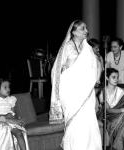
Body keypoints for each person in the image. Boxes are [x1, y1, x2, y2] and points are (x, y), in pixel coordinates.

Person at [49, 20, 102, 150]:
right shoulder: (67, 47)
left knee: (88, 122)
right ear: (73, 32)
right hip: (71, 92)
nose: (86, 31)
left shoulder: (87, 49)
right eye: (82, 29)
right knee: (75, 123)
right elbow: (56, 70)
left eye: (86, 28)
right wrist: (67, 70)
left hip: (86, 92)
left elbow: (94, 66)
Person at [97, 68, 124, 150]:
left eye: (117, 77)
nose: (116, 79)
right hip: (108, 116)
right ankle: (123, 146)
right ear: (107, 78)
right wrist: (123, 110)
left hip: (121, 115)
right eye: (113, 77)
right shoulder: (103, 92)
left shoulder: (122, 92)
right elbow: (107, 110)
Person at [0, 77, 29, 150]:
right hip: (0, 122)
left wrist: (18, 119)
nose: (8, 89)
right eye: (5, 87)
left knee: (19, 134)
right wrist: (4, 116)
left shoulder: (11, 99)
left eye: (9, 87)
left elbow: (13, 113)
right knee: (7, 136)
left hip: (11, 122)